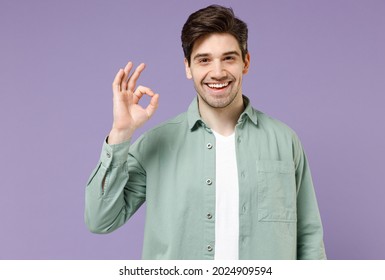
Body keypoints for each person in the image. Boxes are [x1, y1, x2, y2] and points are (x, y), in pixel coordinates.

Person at [85, 4, 326, 260]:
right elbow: (100, 219)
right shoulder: (156, 144)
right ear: (188, 67)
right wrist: (120, 134)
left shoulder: (284, 141)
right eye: (204, 60)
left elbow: (309, 238)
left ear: (245, 62)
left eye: (229, 58)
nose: (218, 72)